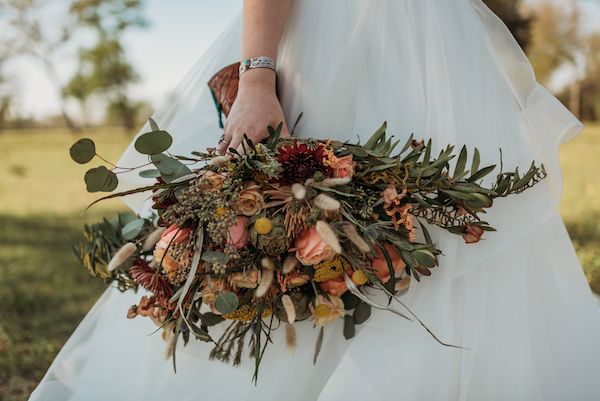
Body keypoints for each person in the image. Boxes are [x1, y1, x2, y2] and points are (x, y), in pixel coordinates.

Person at [29, 1, 600, 400]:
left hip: (431, 46)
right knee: (285, 238)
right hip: (332, 39)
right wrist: (256, 79)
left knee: (437, 240)